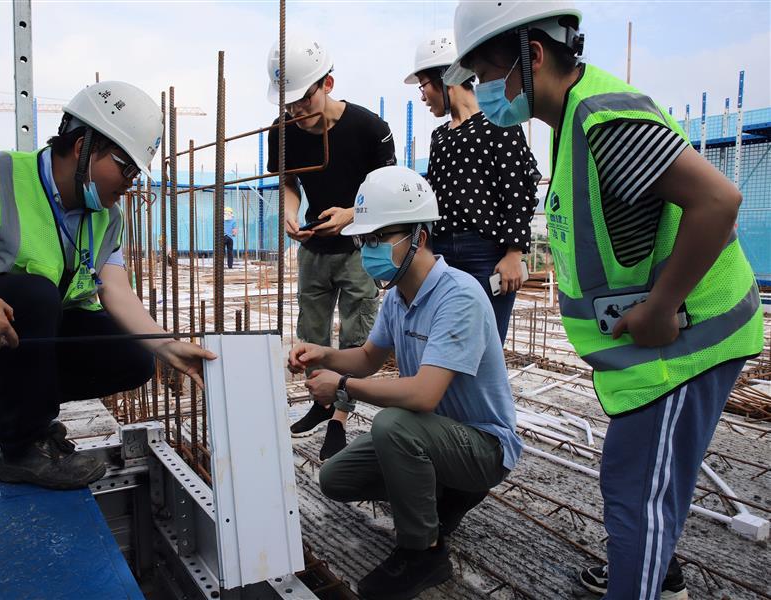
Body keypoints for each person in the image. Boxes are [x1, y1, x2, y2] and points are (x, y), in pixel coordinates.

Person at [446, 2, 763, 598]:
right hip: (650, 349)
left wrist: (664, 305)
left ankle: (639, 580)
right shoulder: (574, 122)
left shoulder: (603, 120)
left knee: (633, 492)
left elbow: (718, 202)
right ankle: (652, 573)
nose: (481, 92)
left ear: (531, 55)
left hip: (688, 341)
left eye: (486, 76)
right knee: (649, 478)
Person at [0, 81, 216, 490]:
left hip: (30, 332)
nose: (130, 182)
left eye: (136, 172)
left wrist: (166, 345)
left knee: (132, 357)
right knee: (37, 293)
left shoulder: (106, 217)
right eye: (126, 167)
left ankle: (13, 407)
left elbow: (117, 291)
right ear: (82, 145)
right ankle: (21, 449)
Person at [289, 166, 522, 600]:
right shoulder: (397, 297)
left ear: (419, 235)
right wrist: (323, 354)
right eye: (364, 240)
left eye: (380, 238)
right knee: (336, 478)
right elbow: (366, 359)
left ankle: (424, 554)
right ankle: (440, 496)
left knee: (393, 424)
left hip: (483, 446)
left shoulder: (460, 295)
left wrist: (342, 386)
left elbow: (422, 394)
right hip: (432, 435)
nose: (369, 250)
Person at [267, 35, 396, 460]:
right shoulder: (282, 132)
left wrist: (352, 214)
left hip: (362, 247)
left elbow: (387, 195)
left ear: (328, 84)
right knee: (312, 333)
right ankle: (320, 404)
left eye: (302, 100)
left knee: (356, 334)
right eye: (287, 104)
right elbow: (288, 181)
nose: (295, 111)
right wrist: (290, 211)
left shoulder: (370, 129)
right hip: (315, 248)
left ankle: (339, 418)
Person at [406, 30, 540, 343]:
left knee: (484, 345)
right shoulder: (439, 137)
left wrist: (513, 253)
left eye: (424, 85)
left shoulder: (500, 123)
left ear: (447, 77)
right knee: (443, 341)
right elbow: (433, 199)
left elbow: (519, 189)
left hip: (486, 254)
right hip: (442, 252)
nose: (423, 96)